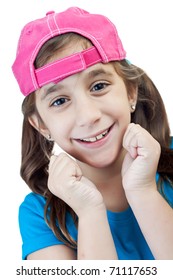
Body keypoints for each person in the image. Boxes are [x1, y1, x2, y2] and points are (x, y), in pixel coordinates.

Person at [12, 7, 173, 260]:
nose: (88, 116)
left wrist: (143, 193)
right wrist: (89, 212)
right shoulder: (39, 215)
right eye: (59, 101)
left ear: (130, 92)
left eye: (99, 86)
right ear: (41, 125)